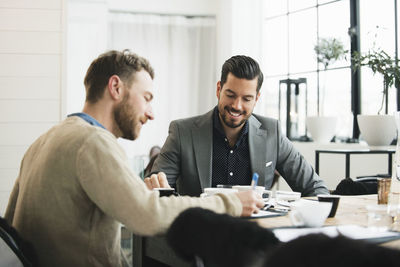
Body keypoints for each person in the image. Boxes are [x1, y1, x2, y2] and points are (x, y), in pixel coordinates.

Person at [4, 50, 263, 267]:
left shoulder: (47, 139)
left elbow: (10, 225)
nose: (151, 114)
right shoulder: (94, 142)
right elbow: (147, 215)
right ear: (116, 87)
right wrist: (231, 203)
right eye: (146, 98)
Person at [151, 55, 329, 197]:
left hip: (255, 235)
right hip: (201, 233)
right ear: (219, 89)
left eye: (246, 98)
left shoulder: (271, 132)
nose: (237, 105)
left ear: (256, 98)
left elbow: (315, 187)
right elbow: (155, 191)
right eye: (230, 94)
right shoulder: (183, 132)